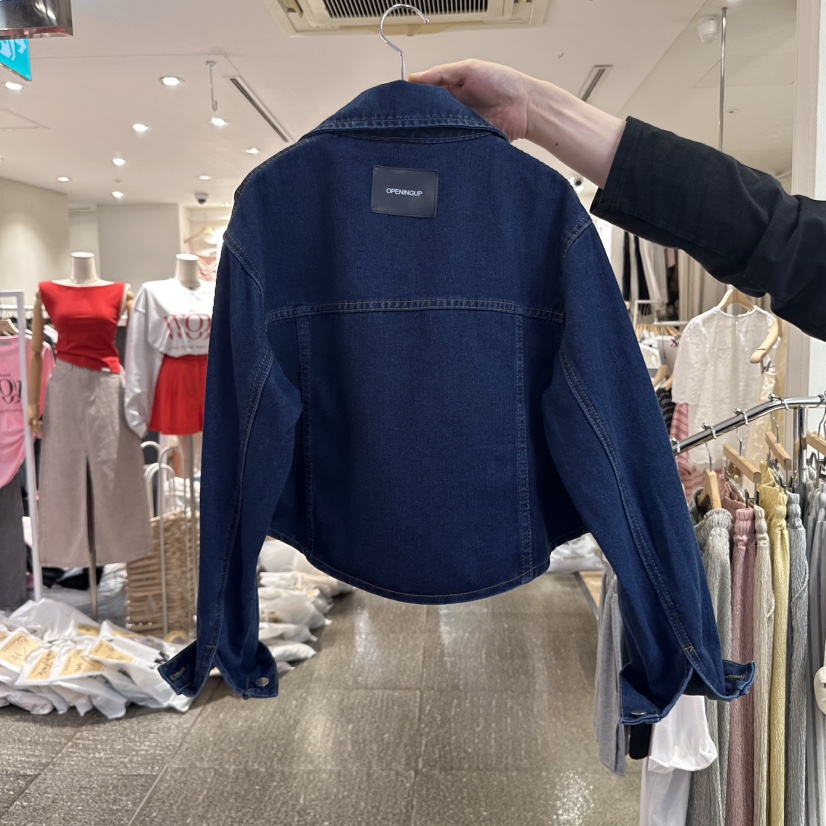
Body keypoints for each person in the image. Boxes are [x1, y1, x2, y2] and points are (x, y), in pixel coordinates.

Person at [409, 60, 826, 341]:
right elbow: (789, 245)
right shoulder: (545, 207)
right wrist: (530, 106)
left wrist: (533, 106)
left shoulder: (543, 208)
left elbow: (783, 241)